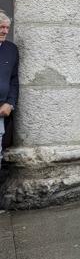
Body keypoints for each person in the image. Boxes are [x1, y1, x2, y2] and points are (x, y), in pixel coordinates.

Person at [0, 11, 18, 168]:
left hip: (1, 110)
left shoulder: (11, 50)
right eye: (1, 27)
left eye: (7, 28)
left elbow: (14, 80)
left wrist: (10, 103)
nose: (5, 31)